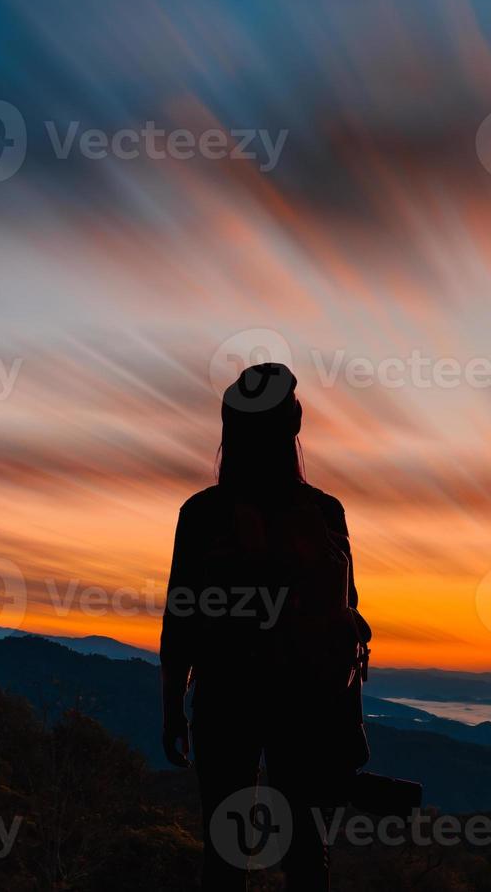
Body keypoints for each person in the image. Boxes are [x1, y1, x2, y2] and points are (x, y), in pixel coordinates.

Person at [160, 363, 367, 891]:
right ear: (293, 428)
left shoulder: (203, 514)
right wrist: (352, 722)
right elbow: (347, 619)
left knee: (225, 854)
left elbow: (180, 617)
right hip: (308, 707)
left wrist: (171, 709)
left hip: (224, 699)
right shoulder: (326, 513)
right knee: (305, 852)